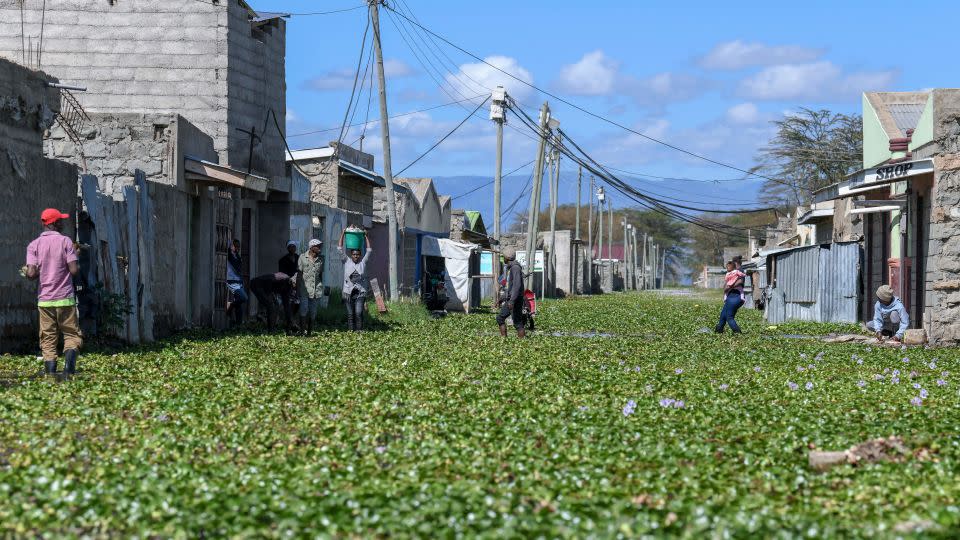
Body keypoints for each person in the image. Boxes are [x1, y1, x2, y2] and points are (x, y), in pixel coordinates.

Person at [22, 208, 83, 376]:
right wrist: (76, 255)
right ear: (55, 223)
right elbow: (74, 270)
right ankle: (69, 370)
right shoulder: (66, 242)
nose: (63, 223)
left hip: (45, 300)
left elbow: (32, 273)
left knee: (48, 338)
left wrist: (26, 271)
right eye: (61, 221)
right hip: (65, 299)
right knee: (71, 334)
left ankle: (50, 374)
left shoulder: (33, 245)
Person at [338, 229, 372, 331]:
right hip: (348, 292)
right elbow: (339, 248)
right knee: (350, 314)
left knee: (358, 313)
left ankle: (359, 331)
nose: (356, 256)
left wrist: (366, 236)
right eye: (354, 254)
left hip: (360, 292)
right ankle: (350, 332)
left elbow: (369, 250)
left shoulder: (363, 263)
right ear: (351, 255)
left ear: (360, 255)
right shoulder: (346, 261)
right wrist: (343, 233)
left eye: (357, 254)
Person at [496, 247, 526, 338]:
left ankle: (522, 343)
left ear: (507, 258)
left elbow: (517, 286)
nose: (503, 259)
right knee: (501, 318)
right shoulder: (512, 268)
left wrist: (512, 301)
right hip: (512, 298)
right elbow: (511, 287)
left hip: (515, 299)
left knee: (517, 322)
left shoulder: (515, 268)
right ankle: (504, 339)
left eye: (503, 257)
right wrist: (503, 298)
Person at [297, 238, 325, 335]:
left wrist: (321, 286)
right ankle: (302, 331)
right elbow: (299, 274)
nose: (320, 248)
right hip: (304, 289)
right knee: (303, 309)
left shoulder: (321, 259)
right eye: (317, 246)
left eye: (320, 246)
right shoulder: (302, 257)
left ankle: (309, 332)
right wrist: (297, 289)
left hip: (316, 289)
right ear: (312, 247)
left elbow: (320, 274)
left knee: (313, 312)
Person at [715, 260, 745, 334]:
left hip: (735, 296)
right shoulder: (729, 274)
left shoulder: (738, 271)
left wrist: (730, 287)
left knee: (729, 317)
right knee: (723, 315)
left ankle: (738, 332)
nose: (728, 267)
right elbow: (725, 286)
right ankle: (718, 331)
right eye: (727, 266)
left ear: (735, 265)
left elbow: (740, 281)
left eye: (729, 265)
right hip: (730, 297)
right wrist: (726, 288)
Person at [225, 239, 247, 326]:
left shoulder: (237, 256)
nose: (238, 248)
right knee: (243, 298)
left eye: (239, 246)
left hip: (238, 280)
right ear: (231, 246)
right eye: (236, 246)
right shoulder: (228, 254)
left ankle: (238, 325)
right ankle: (230, 305)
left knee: (239, 305)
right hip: (231, 281)